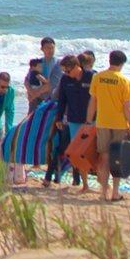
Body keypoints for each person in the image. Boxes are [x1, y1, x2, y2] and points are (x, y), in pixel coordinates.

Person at [89, 49, 130, 202]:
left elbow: (93, 101)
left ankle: (103, 192)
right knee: (117, 159)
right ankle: (115, 192)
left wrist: (89, 120)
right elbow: (126, 106)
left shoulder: (98, 77)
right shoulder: (124, 81)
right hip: (119, 123)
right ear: (121, 64)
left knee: (104, 157)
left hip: (102, 121)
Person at [47, 55, 89, 186]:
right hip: (72, 120)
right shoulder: (65, 79)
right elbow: (62, 100)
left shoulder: (91, 77)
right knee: (65, 148)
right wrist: (59, 118)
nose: (66, 74)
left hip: (90, 121)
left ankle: (79, 180)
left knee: (88, 151)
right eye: (64, 71)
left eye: (68, 71)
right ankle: (49, 177)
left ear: (77, 66)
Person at [25, 37, 58, 110]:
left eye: (52, 48)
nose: (50, 50)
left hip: (51, 99)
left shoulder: (57, 64)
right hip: (36, 98)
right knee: (31, 120)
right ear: (42, 49)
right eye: (48, 48)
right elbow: (27, 80)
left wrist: (34, 94)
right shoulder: (38, 62)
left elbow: (52, 84)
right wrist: (31, 92)